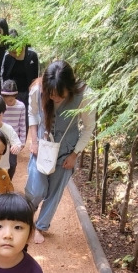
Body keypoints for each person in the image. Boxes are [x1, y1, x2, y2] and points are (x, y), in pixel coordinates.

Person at [25, 60, 96, 244]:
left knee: (55, 192)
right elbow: (32, 114)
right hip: (41, 146)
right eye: (51, 94)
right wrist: (34, 141)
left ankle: (40, 226)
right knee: (37, 189)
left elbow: (88, 128)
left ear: (70, 88)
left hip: (66, 151)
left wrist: (75, 155)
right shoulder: (37, 90)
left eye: (60, 95)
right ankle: (25, 219)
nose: (55, 98)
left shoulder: (85, 96)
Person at [0, 30, 39, 118]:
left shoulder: (32, 55)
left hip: (28, 94)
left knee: (27, 120)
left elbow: (36, 78)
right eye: (11, 52)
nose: (13, 54)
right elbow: (4, 77)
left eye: (14, 52)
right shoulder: (7, 57)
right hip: (12, 96)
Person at [1, 80, 26, 179]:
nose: (8, 102)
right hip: (0, 138)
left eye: (10, 100)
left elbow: (22, 125)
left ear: (15, 96)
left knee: (12, 164)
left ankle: (9, 180)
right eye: (6, 99)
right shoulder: (1, 105)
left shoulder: (21, 106)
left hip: (13, 141)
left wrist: (22, 141)